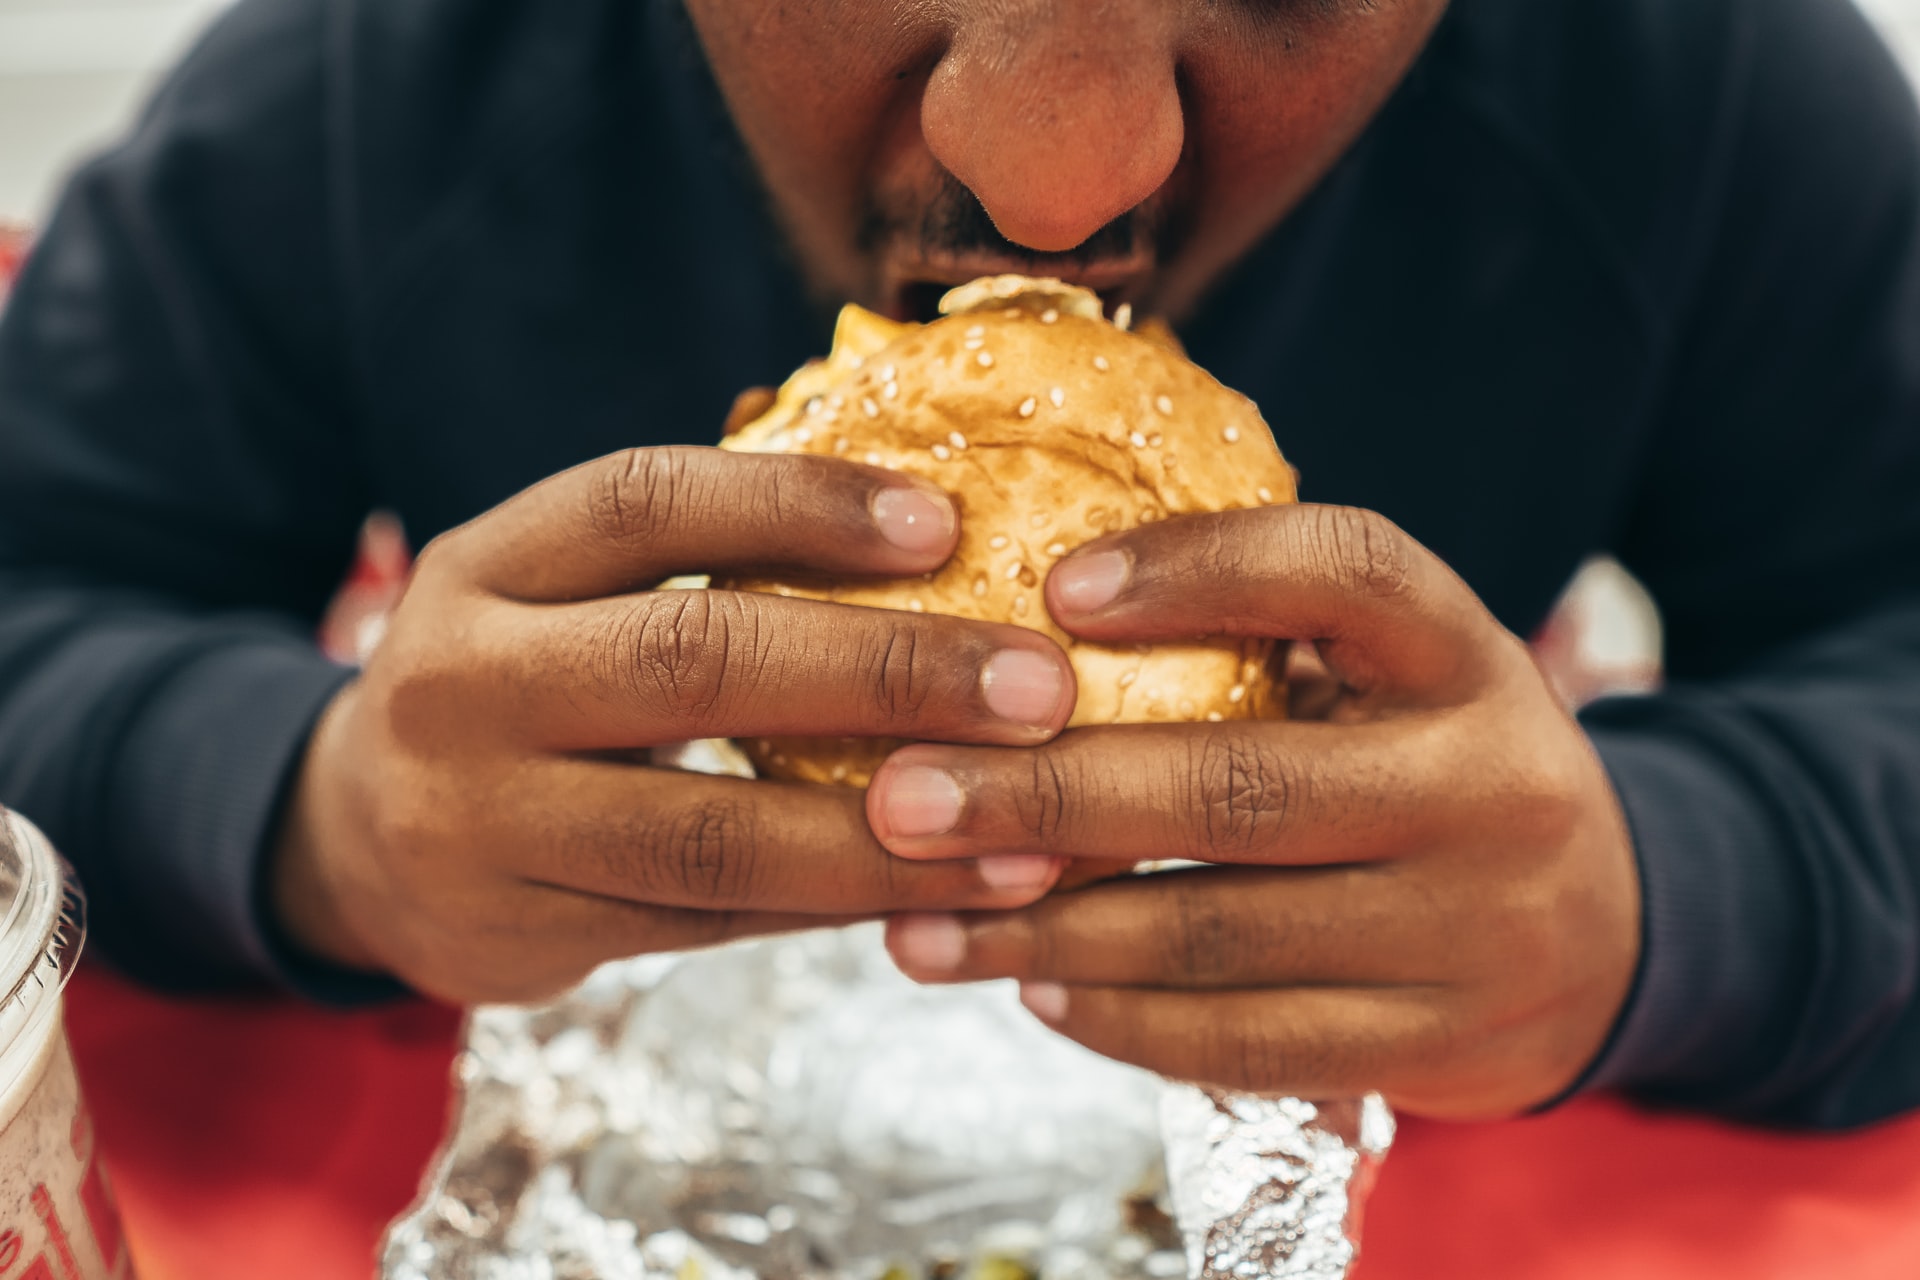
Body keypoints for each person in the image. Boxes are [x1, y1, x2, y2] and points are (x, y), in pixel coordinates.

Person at [0, 0, 1915, 1128]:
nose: (1058, 183)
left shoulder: (1696, 74)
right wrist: (310, 818)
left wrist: (1669, 903)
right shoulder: (383, 73)